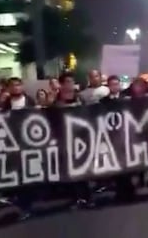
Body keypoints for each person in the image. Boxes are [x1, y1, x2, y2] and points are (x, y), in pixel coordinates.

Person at [54, 72, 95, 208]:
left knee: (85, 171)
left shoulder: (80, 99)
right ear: (61, 84)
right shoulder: (56, 102)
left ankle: (87, 197)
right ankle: (76, 198)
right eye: (67, 82)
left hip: (82, 139)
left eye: (71, 82)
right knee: (71, 172)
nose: (70, 85)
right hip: (66, 141)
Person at [0, 77, 36, 220]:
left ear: (22, 87)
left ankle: (27, 205)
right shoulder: (6, 105)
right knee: (18, 177)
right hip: (13, 145)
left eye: (18, 85)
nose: (15, 88)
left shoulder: (30, 101)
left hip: (30, 143)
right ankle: (23, 206)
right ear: (8, 88)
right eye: (12, 86)